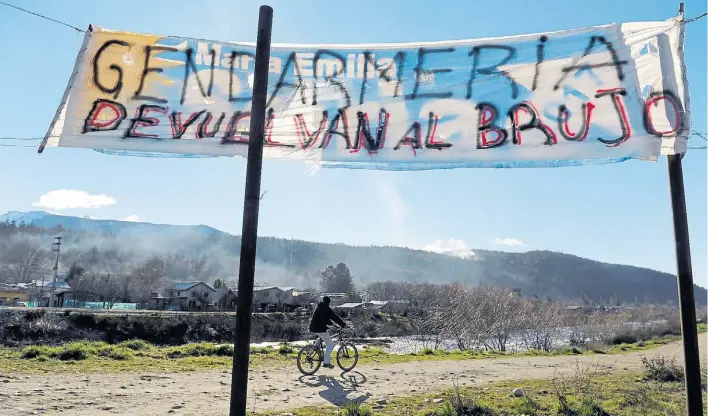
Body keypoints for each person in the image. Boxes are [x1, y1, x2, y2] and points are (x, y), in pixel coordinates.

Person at [309, 296, 346, 368]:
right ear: (329, 302)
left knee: (321, 337)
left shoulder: (319, 307)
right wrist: (343, 324)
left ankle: (315, 348)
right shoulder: (327, 308)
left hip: (313, 327)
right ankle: (326, 362)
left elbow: (325, 319)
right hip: (320, 328)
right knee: (330, 344)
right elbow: (334, 317)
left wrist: (333, 325)